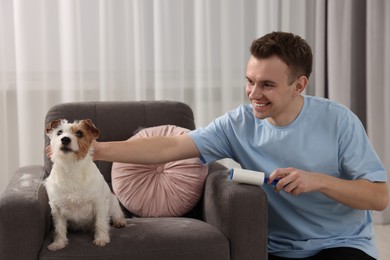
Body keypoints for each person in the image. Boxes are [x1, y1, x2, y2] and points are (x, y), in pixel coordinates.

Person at [91, 32, 388, 259]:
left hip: (340, 245)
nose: (253, 94)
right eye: (250, 81)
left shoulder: (338, 120)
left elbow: (378, 197)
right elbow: (168, 148)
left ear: (299, 85)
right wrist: (97, 150)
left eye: (267, 85)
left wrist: (319, 181)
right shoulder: (238, 124)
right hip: (276, 248)